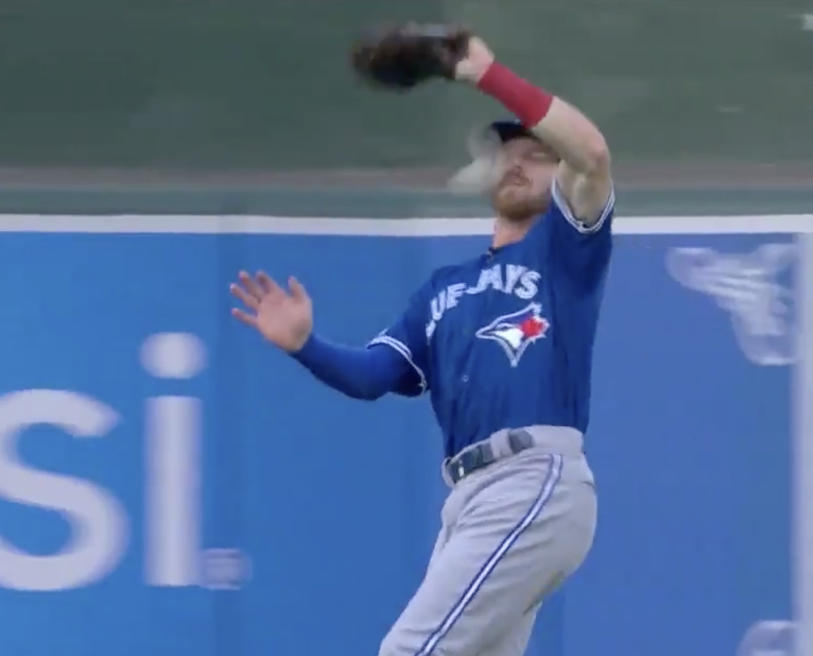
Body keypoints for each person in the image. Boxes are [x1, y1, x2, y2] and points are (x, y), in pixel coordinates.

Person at [228, 30, 614, 656]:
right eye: (508, 151)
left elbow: (592, 152)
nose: (517, 161)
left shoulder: (567, 254)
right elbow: (373, 375)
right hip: (468, 501)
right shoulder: (444, 289)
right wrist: (306, 345)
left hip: (532, 477)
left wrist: (487, 75)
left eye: (538, 153)